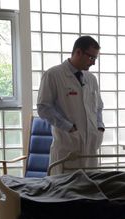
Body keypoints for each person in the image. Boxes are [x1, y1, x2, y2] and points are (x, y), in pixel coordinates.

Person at [37, 36, 105, 174]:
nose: (93, 63)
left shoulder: (91, 79)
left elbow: (98, 107)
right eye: (91, 58)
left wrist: (100, 127)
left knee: (89, 189)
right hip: (67, 146)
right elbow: (43, 108)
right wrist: (69, 128)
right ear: (78, 52)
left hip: (91, 145)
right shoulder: (53, 75)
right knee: (64, 190)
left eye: (95, 59)